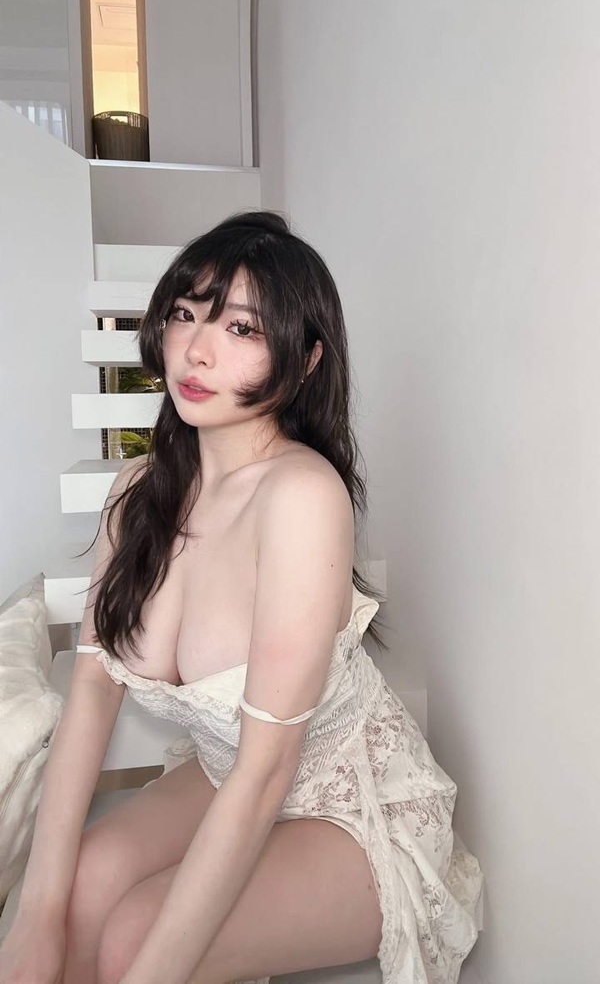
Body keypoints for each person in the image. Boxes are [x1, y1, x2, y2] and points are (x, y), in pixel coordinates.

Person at [0, 211, 482, 984]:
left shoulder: (301, 497)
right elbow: (91, 688)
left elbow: (268, 769)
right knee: (77, 888)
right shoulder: (139, 492)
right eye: (184, 314)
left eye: (242, 328)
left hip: (346, 805)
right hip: (229, 773)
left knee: (133, 940)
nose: (197, 349)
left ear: (306, 358)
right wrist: (37, 916)